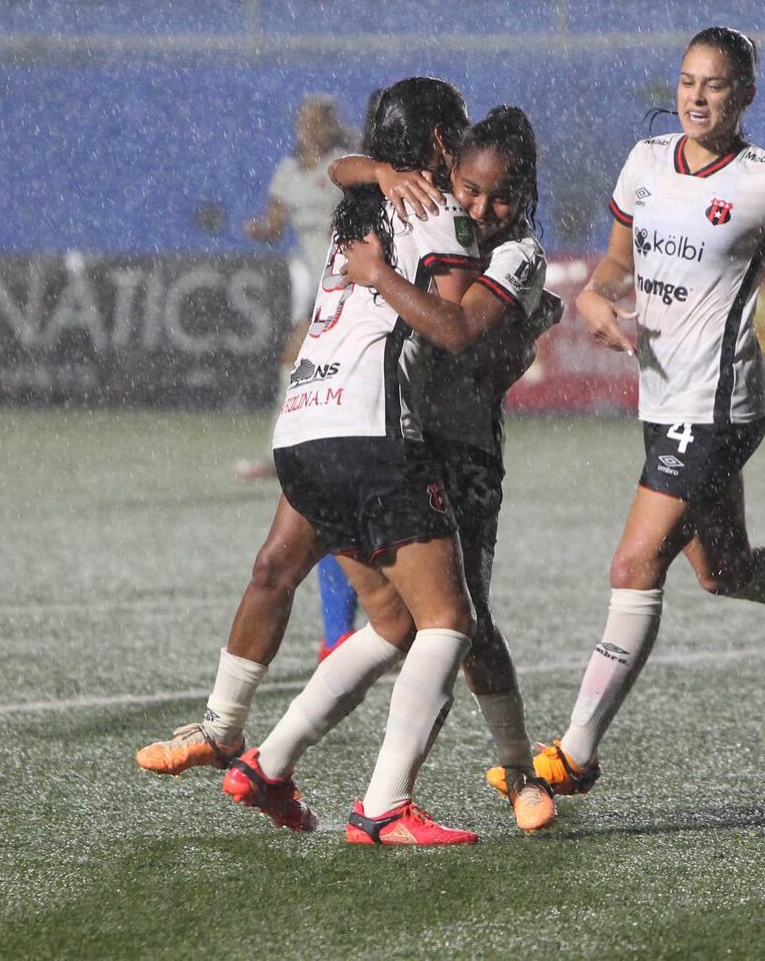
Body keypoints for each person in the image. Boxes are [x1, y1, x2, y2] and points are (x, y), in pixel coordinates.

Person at [507, 26, 765, 801]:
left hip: (721, 403)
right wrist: (597, 299)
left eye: (716, 85)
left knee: (634, 565)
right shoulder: (644, 162)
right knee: (722, 569)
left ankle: (575, 753)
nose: (697, 98)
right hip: (661, 399)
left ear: (746, 96)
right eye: (688, 82)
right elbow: (615, 268)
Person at [135, 93, 563, 836]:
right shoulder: (420, 211)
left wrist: (516, 335)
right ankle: (371, 798)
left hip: (449, 447)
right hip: (385, 438)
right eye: (471, 186)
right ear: (445, 157)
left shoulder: (510, 249)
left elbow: (474, 349)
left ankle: (513, 770)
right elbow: (347, 174)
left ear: (524, 195)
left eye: (501, 195)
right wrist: (381, 181)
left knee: (440, 621)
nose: (484, 205)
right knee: (439, 621)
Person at [212, 75, 493, 846]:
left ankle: (264, 762)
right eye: (459, 131)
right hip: (368, 433)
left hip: (302, 430)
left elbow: (338, 167)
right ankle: (383, 808)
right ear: (439, 141)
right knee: (448, 622)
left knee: (392, 621)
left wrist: (371, 172)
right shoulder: (439, 215)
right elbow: (456, 331)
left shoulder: (354, 207)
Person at [238, 93, 361, 656]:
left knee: (298, 352)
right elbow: (277, 219)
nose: (310, 126)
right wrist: (261, 229)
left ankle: (299, 441)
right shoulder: (289, 171)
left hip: (347, 276)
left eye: (319, 118)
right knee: (295, 358)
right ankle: (287, 444)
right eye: (304, 118)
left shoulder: (347, 164)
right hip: (308, 274)